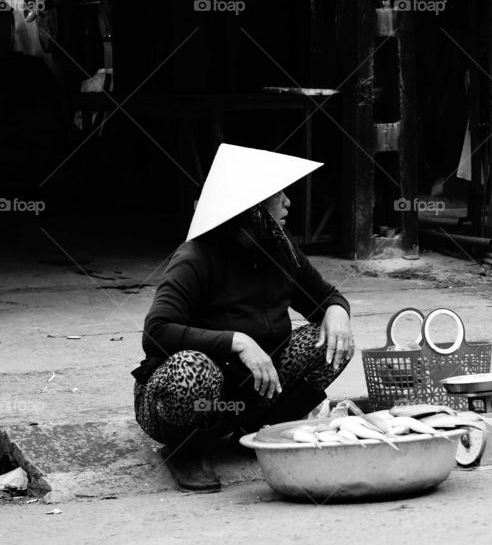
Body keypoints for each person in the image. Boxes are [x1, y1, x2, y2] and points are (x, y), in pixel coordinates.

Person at [132, 144, 353, 492]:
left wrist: (338, 312)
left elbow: (324, 297)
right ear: (252, 211)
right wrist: (237, 341)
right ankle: (184, 450)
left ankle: (259, 432)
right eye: (278, 195)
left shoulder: (281, 248)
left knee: (326, 341)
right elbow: (156, 332)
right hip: (178, 397)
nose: (288, 203)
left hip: (250, 392)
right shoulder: (196, 256)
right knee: (193, 368)